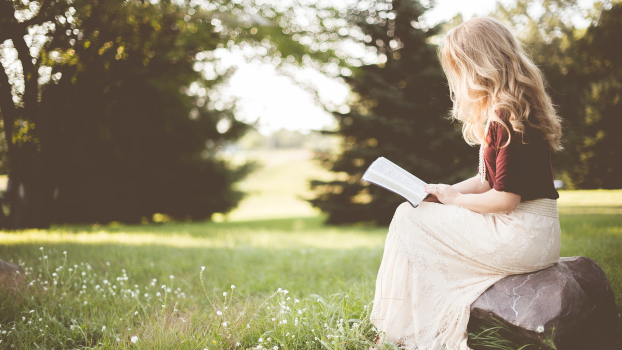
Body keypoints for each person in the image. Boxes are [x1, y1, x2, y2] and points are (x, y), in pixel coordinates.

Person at [370, 17, 564, 350]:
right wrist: (442, 192)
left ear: (478, 64)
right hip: (537, 231)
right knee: (415, 212)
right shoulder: (515, 109)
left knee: (407, 217)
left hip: (521, 233)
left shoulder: (505, 114)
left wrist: (454, 201)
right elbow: (485, 180)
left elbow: (505, 200)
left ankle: (400, 331)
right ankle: (405, 327)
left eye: (459, 66)